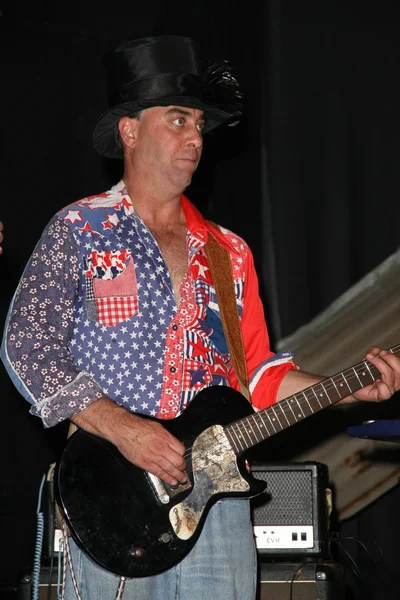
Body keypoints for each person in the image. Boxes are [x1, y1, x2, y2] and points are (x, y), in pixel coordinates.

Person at [2, 35, 400, 600]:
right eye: (178, 120)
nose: (195, 138)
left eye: (199, 126)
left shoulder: (229, 252)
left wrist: (350, 391)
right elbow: (27, 345)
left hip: (219, 506)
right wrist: (126, 429)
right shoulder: (79, 230)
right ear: (130, 130)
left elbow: (256, 377)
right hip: (112, 500)